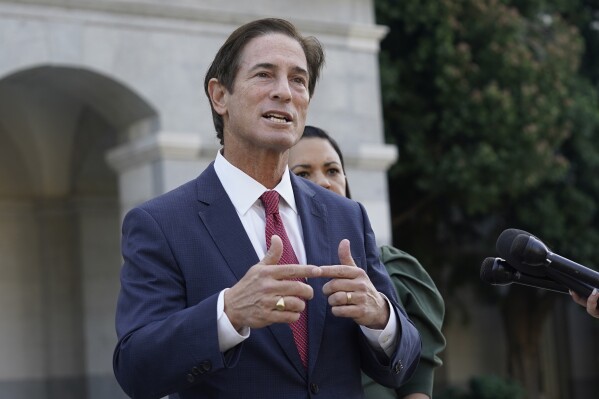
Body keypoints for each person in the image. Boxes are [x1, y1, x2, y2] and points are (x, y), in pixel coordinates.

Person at [113, 18, 421, 399]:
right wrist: (228, 313)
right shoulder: (161, 224)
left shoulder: (346, 215)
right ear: (219, 96)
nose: (284, 93)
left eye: (298, 80)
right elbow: (136, 368)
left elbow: (405, 361)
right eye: (264, 75)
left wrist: (381, 318)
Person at [288, 125, 446, 399]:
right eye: (303, 173)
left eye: (332, 170)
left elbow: (417, 387)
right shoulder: (273, 272)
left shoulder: (396, 269)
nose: (324, 182)